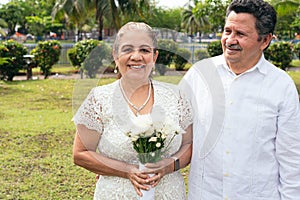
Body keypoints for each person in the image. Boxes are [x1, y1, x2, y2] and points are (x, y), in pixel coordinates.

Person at [179, 0, 300, 199]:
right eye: (227, 31)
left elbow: (291, 157)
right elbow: (172, 127)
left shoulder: (281, 86)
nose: (230, 40)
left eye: (240, 34)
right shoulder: (200, 74)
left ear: (265, 41)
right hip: (205, 194)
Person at [72, 22, 193, 199]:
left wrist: (168, 166)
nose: (136, 57)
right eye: (127, 49)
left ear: (154, 56)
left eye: (144, 50)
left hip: (169, 193)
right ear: (115, 55)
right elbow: (80, 154)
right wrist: (126, 170)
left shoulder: (176, 96)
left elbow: (188, 146)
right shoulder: (99, 98)